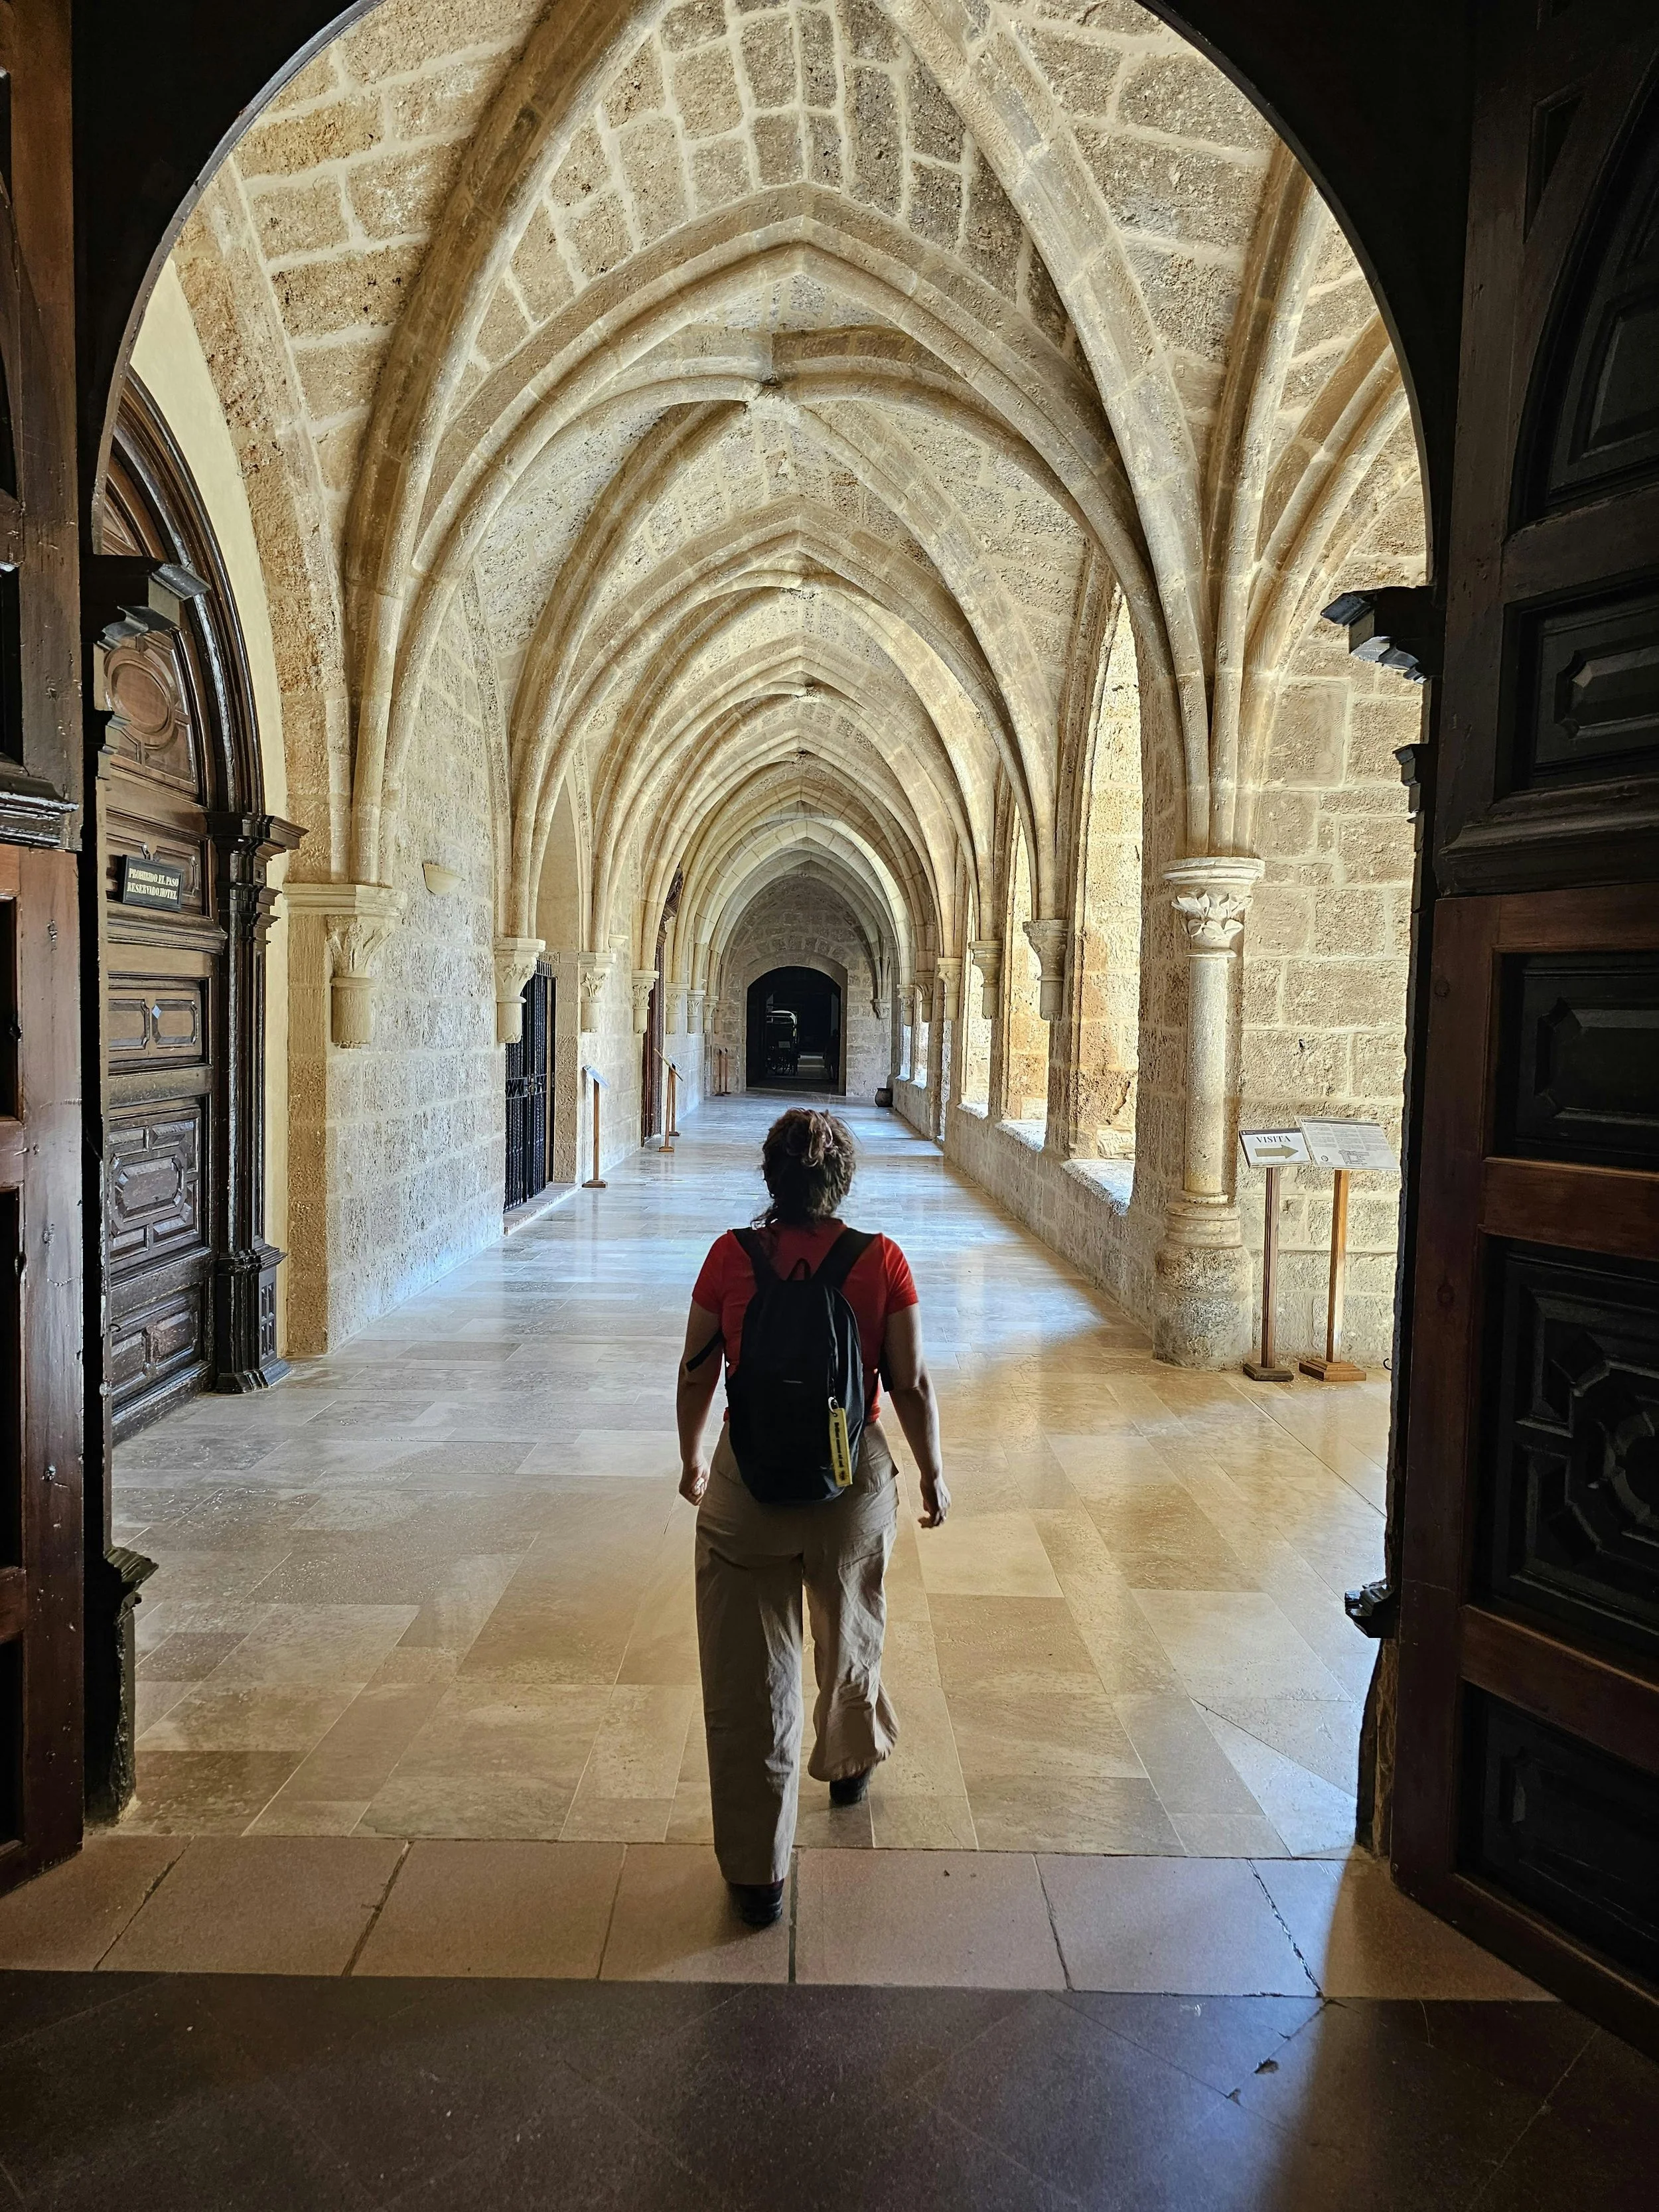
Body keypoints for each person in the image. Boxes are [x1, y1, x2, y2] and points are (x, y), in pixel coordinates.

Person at [676, 1107, 950, 1927]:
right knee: (851, 1626)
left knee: (745, 1678)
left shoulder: (730, 1257)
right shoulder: (881, 1261)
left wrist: (692, 1457)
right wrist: (932, 1474)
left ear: (771, 1178)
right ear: (843, 1183)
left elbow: (696, 1372)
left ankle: (758, 1875)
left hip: (747, 1485)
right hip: (849, 1480)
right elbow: (910, 1383)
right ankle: (847, 1761)